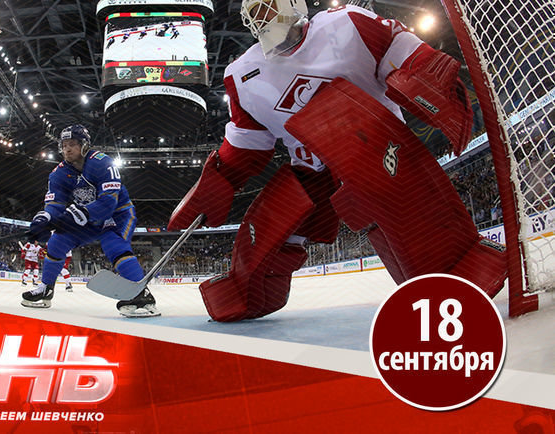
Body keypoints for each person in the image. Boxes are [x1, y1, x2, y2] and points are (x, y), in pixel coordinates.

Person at [167, 1, 507, 322]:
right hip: (310, 170)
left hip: (375, 150)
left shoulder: (347, 23)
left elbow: (407, 53)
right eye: (255, 11)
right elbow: (247, 146)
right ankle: (247, 294)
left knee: (412, 232)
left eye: (268, 5)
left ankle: (455, 270)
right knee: (268, 232)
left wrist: (431, 78)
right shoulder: (242, 74)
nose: (263, 16)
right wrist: (218, 182)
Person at [22, 124, 159, 317]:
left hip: (116, 214)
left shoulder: (102, 163)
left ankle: (142, 295)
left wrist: (77, 214)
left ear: (84, 145)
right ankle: (46, 289)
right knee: (57, 241)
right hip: (88, 219)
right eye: (64, 145)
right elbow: (54, 204)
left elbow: (108, 203)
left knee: (113, 245)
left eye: (72, 144)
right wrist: (43, 220)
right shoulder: (58, 173)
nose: (67, 149)